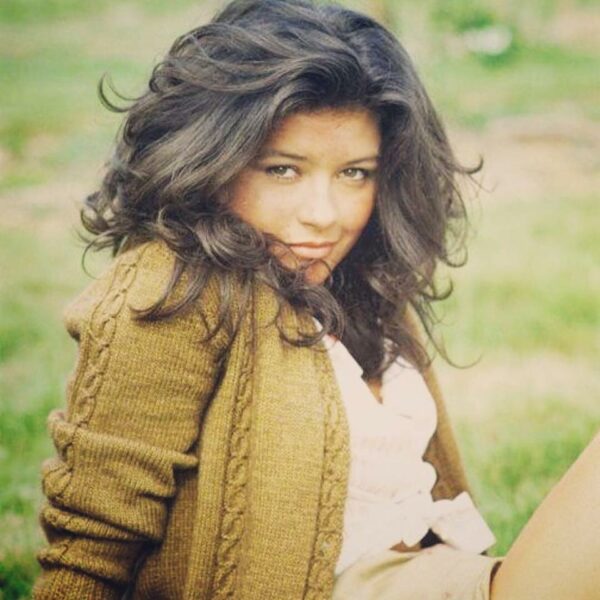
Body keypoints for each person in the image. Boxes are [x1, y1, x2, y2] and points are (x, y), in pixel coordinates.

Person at [33, 1, 600, 599]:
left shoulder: (359, 282)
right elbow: (91, 539)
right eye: (283, 170)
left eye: (355, 173)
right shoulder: (172, 288)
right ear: (211, 159)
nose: (323, 214)